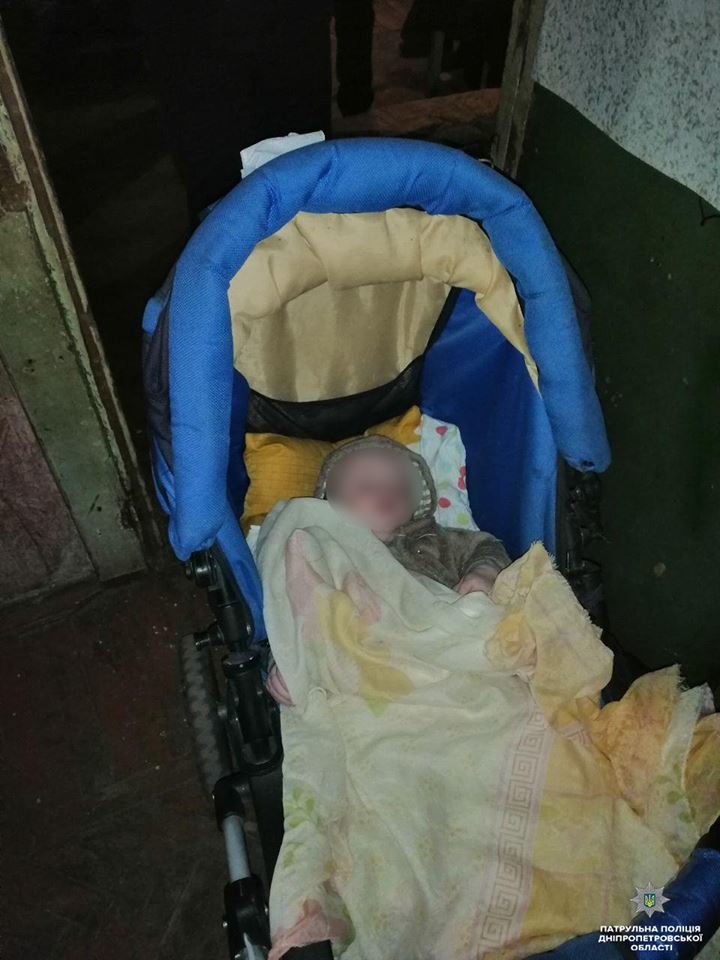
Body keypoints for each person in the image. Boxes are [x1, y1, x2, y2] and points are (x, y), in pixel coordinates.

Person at [264, 435, 509, 705]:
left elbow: (485, 546)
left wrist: (485, 571)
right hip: (363, 666)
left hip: (446, 651)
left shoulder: (437, 539)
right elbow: (291, 608)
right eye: (367, 485)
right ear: (328, 497)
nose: (387, 492)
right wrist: (287, 662)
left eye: (401, 487)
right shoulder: (321, 547)